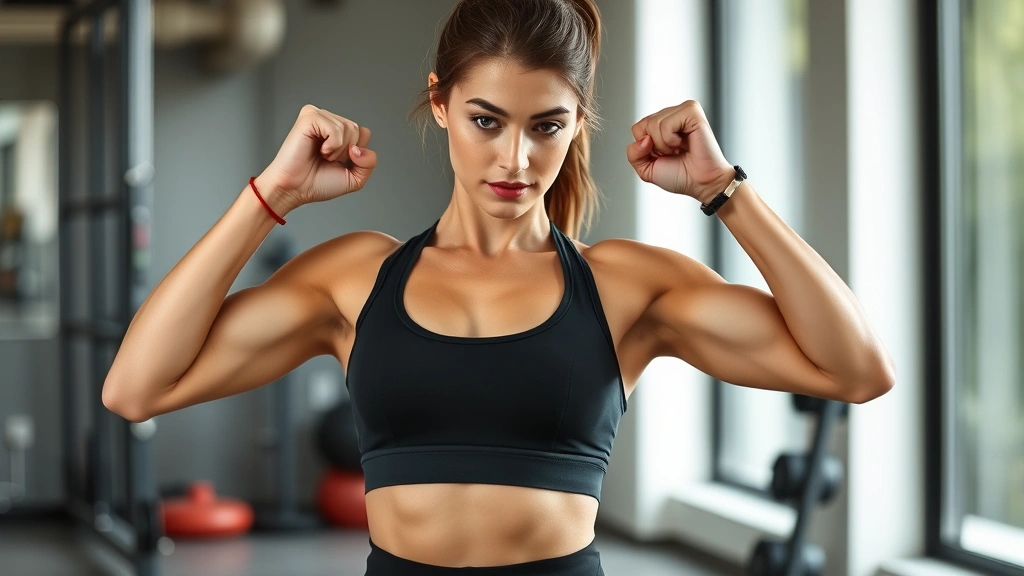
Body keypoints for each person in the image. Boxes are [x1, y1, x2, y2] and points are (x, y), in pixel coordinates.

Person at [102, 0, 895, 573]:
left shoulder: (625, 287)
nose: (515, 159)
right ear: (440, 102)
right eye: (487, 120)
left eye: (546, 125)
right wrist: (268, 197)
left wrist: (725, 188)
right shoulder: (357, 279)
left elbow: (857, 370)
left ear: (577, 124)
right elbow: (136, 388)